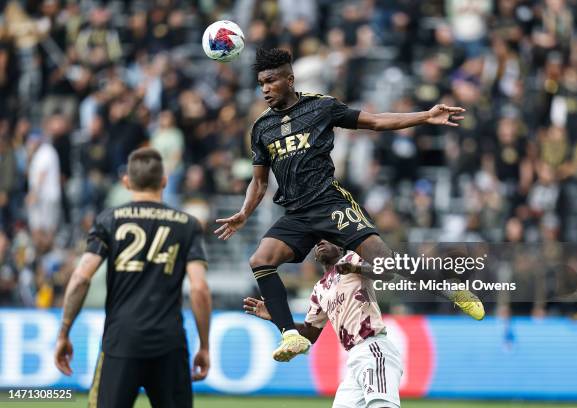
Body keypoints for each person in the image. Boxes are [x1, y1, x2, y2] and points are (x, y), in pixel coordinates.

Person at [215, 48, 484, 362]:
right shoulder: (262, 128)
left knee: (385, 266)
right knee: (261, 260)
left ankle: (448, 287)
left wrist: (424, 116)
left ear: (290, 79)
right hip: (296, 214)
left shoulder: (321, 107)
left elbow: (376, 121)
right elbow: (259, 182)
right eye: (261, 83)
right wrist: (244, 214)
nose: (265, 89)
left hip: (330, 204)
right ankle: (290, 335)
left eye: (271, 81)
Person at [54, 147, 211, 408]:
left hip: (120, 340)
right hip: (169, 342)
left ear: (126, 182)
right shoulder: (187, 225)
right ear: (164, 181)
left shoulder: (109, 220)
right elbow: (199, 289)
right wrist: (204, 345)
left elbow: (81, 277)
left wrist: (64, 332)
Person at [244, 240, 402, 408]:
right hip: (354, 358)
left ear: (340, 246)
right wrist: (276, 317)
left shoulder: (352, 259)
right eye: (317, 241)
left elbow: (387, 274)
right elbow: (309, 334)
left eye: (327, 238)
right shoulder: (320, 289)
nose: (320, 241)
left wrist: (355, 268)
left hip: (373, 347)